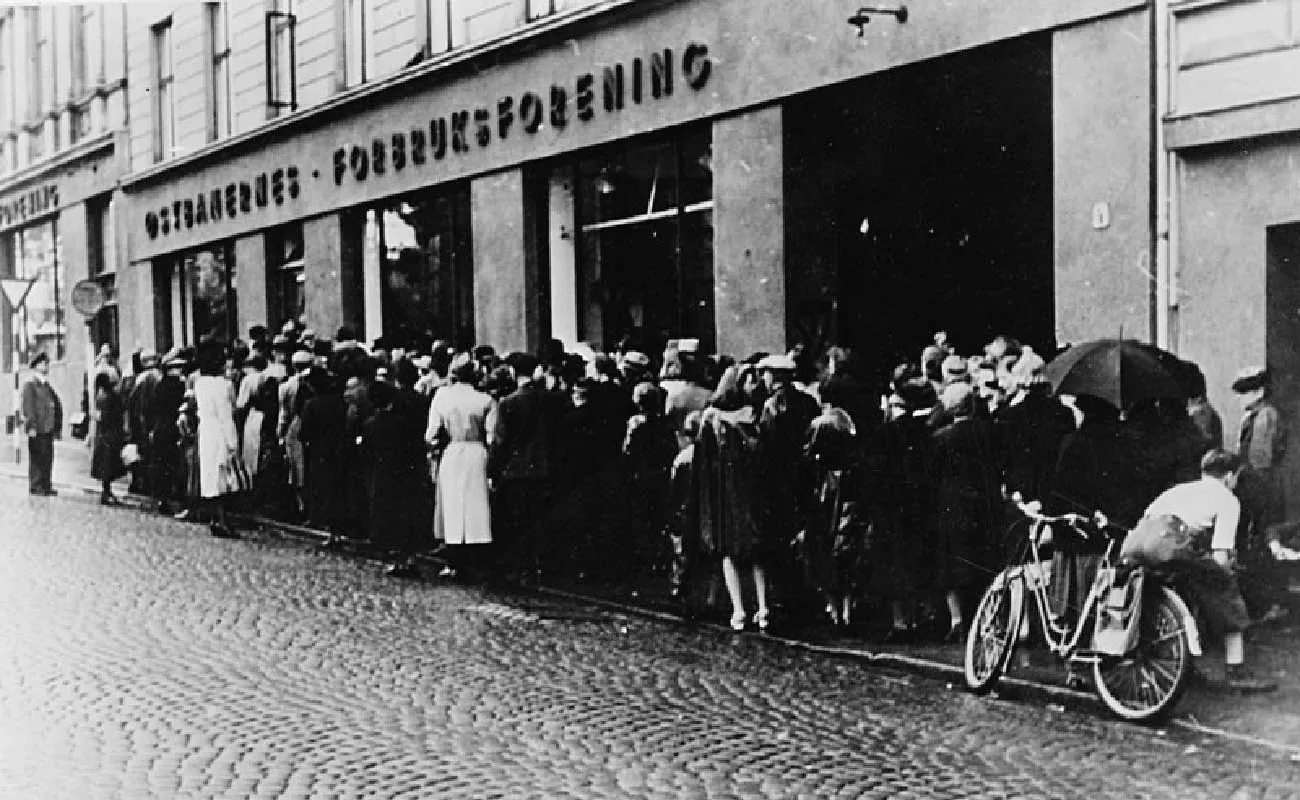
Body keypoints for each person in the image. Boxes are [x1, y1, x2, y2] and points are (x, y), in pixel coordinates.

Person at [1127, 450, 1277, 692]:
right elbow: (1220, 556)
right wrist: (1228, 569)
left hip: (1136, 542)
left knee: (1179, 588)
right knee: (1224, 584)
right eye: (1236, 478)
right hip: (1167, 543)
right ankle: (1236, 670)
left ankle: (1180, 663)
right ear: (1229, 476)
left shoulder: (1179, 490)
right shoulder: (1227, 499)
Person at [690, 366, 772, 631]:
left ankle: (739, 609)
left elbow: (703, 461)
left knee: (729, 552)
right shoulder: (754, 415)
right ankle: (762, 608)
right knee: (754, 551)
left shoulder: (712, 417)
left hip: (723, 492)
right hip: (750, 491)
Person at [929, 383, 1002, 642]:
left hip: (952, 506)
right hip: (984, 503)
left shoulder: (941, 438)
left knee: (951, 563)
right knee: (984, 561)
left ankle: (957, 619)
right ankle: (987, 618)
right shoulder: (989, 432)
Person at [490, 352, 562, 581]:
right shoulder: (549, 398)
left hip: (517, 469)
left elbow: (501, 441)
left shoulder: (509, 403)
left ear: (513, 372)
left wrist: (493, 469)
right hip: (543, 466)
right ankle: (539, 565)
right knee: (539, 518)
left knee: (518, 521)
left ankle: (522, 567)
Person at [427, 355, 495, 577]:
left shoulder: (442, 397)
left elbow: (431, 434)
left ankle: (454, 559)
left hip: (454, 452)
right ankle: (477, 557)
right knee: (476, 506)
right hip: (477, 451)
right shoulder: (485, 400)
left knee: (453, 505)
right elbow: (492, 436)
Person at [360, 380, 429, 577]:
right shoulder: (405, 424)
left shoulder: (371, 425)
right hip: (407, 474)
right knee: (407, 516)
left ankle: (397, 558)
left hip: (383, 474)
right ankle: (409, 558)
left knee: (388, 516)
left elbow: (366, 455)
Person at [193, 340, 241, 538]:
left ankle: (214, 517)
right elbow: (226, 415)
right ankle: (222, 520)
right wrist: (232, 442)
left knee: (211, 476)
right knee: (224, 478)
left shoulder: (199, 383)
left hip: (206, 431)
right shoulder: (224, 385)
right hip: (220, 431)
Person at [1232, 366, 1287, 534]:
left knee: (1259, 531)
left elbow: (1260, 459)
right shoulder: (1252, 416)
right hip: (1254, 481)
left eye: (1244, 392)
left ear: (1259, 392)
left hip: (1259, 483)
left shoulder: (1265, 416)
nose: (1238, 398)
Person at [19, 353, 61, 496]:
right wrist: (31, 427)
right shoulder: (30, 385)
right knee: (37, 457)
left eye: (47, 363)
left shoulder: (46, 385)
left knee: (47, 457)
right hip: (37, 428)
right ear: (36, 366)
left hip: (47, 427)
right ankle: (36, 485)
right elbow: (29, 407)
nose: (46, 366)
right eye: (43, 363)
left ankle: (46, 484)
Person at [90, 370, 128, 506]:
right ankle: (106, 493)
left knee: (107, 466)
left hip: (105, 435)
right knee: (109, 466)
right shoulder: (111, 397)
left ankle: (107, 492)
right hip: (111, 436)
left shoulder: (102, 397)